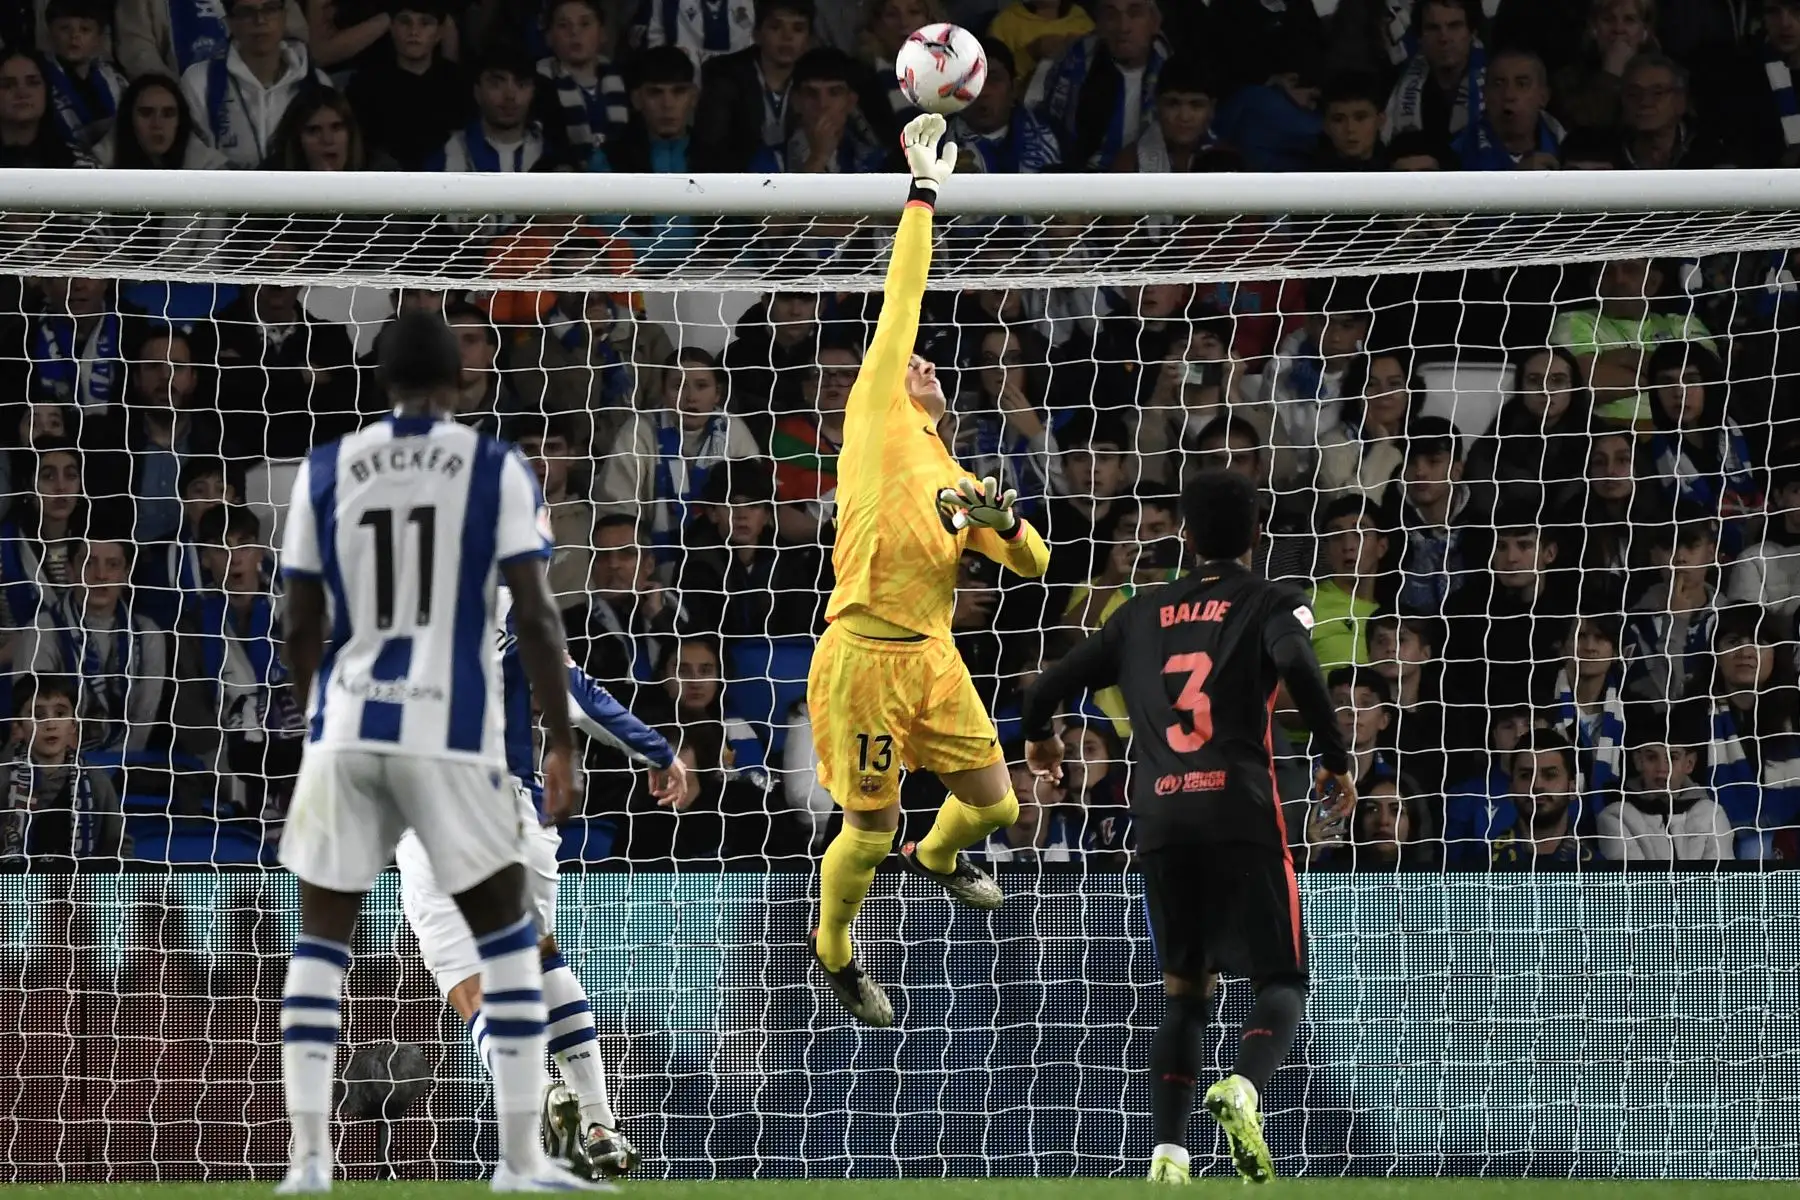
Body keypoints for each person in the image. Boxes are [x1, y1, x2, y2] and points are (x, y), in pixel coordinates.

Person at [272, 311, 600, 1192]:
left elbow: (296, 619)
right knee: (509, 943)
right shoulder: (494, 468)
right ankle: (523, 1161)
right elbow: (534, 616)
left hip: (353, 729)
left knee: (322, 944)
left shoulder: (325, 470)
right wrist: (562, 741)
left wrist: (316, 723)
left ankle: (309, 1162)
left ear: (379, 381)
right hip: (452, 738)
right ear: (462, 383)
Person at [1017, 468, 1354, 1185]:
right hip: (1241, 810)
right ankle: (1244, 1088)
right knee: (1281, 979)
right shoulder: (1272, 599)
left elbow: (1045, 686)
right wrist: (1334, 756)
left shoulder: (1138, 613)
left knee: (1186, 991)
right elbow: (1297, 661)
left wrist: (1040, 739)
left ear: (1187, 538)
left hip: (1163, 818)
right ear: (1257, 535)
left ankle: (1168, 1155)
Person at [805, 114, 1051, 1030]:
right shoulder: (873, 415)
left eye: (925, 363)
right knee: (865, 832)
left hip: (933, 660)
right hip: (863, 658)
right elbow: (904, 296)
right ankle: (834, 950)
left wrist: (1005, 519)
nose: (917, 358)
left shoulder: (958, 478)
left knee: (996, 808)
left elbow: (1035, 564)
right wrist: (922, 191)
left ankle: (941, 859)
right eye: (906, 358)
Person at [394, 585, 684, 1181]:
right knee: (537, 954)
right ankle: (600, 1121)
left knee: (473, 986)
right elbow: (578, 698)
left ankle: (538, 1090)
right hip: (513, 808)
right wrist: (659, 753)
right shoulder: (516, 605)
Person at [178, 0, 329, 169]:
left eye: (270, 9)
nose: (260, 20)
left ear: (284, 16)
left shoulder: (317, 82)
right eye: (246, 12)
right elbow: (189, 150)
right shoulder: (199, 81)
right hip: (225, 192)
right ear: (230, 22)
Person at [2, 673, 125, 866]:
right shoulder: (4, 778)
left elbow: (117, 847)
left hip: (79, 890)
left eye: (60, 714)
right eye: (37, 715)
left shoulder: (96, 781)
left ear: (73, 724)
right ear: (18, 727)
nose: (50, 725)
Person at [342, 0, 467, 170]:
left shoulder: (459, 84)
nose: (414, 31)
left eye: (425, 23)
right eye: (405, 22)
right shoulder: (365, 85)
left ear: (439, 33)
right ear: (392, 28)